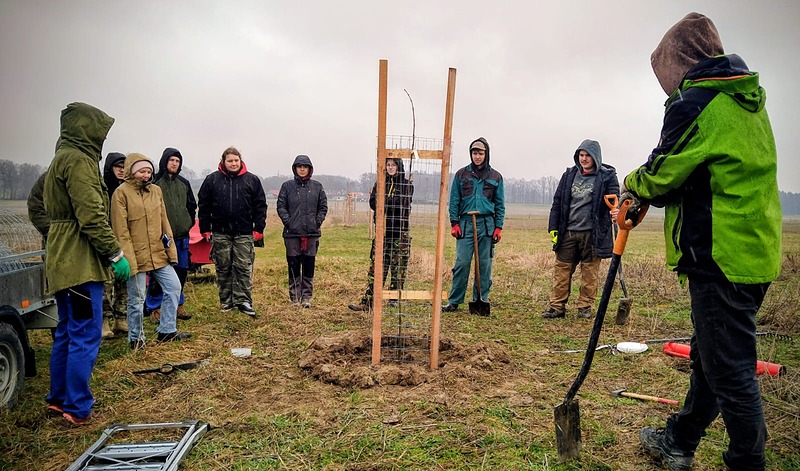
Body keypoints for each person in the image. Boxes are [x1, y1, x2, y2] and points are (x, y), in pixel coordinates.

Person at [623, 13, 781, 471]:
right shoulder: (745, 101)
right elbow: (702, 172)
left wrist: (635, 188)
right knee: (713, 359)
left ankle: (746, 463)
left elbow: (662, 170)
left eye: (666, 77)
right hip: (753, 250)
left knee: (730, 373)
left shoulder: (696, 101)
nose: (667, 89)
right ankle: (680, 438)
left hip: (719, 256)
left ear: (681, 63)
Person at [43, 102, 130, 426]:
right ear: (86, 130)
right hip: (79, 264)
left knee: (67, 331)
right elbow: (92, 216)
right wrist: (115, 254)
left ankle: (58, 399)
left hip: (61, 260)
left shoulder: (59, 159)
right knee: (84, 333)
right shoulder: (79, 162)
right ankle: (77, 407)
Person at [111, 153, 191, 350]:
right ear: (131, 171)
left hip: (158, 253)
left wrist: (169, 249)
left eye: (148, 171)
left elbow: (164, 222)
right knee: (137, 299)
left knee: (173, 287)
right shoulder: (121, 193)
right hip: (135, 256)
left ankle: (167, 330)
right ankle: (136, 339)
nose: (145, 175)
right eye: (141, 171)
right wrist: (127, 258)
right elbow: (120, 230)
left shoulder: (156, 191)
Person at [542, 140, 619, 319]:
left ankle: (584, 307)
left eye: (587, 156)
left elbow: (615, 199)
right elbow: (557, 202)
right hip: (567, 231)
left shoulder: (607, 176)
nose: (584, 159)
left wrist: (616, 211)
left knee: (590, 272)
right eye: (581, 155)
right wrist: (553, 228)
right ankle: (557, 307)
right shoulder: (569, 175)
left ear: (595, 157)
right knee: (562, 270)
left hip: (593, 233)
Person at [198, 146, 267, 317]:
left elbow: (260, 206)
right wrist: (205, 229)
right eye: (230, 161)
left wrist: (259, 228)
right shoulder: (212, 180)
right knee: (223, 267)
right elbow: (204, 206)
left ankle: (243, 301)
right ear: (223, 162)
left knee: (243, 267)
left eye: (236, 160)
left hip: (244, 232)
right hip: (220, 232)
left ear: (241, 161)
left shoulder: (252, 180)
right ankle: (226, 301)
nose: (233, 163)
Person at [442, 137, 504, 313]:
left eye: (481, 153)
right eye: (474, 153)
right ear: (471, 154)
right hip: (465, 224)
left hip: (486, 225)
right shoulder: (462, 174)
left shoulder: (496, 177)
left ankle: (481, 298)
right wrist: (454, 223)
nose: (477, 156)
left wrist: (498, 227)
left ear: (486, 154)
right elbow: (454, 200)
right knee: (461, 262)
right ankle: (454, 301)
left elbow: (500, 204)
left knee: (484, 265)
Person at [349, 157, 413, 311]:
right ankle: (369, 300)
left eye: (393, 165)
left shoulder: (406, 185)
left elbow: (401, 203)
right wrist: (384, 201)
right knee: (376, 267)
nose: (390, 168)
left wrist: (383, 201)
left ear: (399, 166)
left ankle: (393, 298)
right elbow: (373, 203)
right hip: (381, 232)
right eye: (388, 165)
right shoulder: (380, 183)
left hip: (399, 231)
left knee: (397, 267)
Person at [144, 147, 197, 323]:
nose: (174, 163)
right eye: (172, 160)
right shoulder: (154, 183)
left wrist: (187, 222)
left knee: (181, 271)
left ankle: (177, 304)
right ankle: (155, 308)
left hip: (181, 236)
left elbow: (191, 206)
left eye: (177, 161)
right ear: (165, 161)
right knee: (159, 273)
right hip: (161, 238)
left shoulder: (184, 183)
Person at [277, 155, 328, 308]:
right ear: (295, 168)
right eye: (299, 166)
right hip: (292, 234)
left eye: (305, 167)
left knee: (308, 264)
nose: (302, 169)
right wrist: (289, 222)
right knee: (293, 264)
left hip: (311, 234)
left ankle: (306, 297)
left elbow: (323, 207)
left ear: (309, 169)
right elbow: (281, 206)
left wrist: (317, 222)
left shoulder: (317, 187)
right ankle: (294, 297)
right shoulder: (287, 187)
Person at [101, 152, 129, 338]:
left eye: (123, 167)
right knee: (106, 283)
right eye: (117, 166)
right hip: (106, 242)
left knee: (124, 281)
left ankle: (121, 318)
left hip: (124, 240)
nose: (121, 170)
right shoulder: (102, 188)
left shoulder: (127, 189)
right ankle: (104, 321)